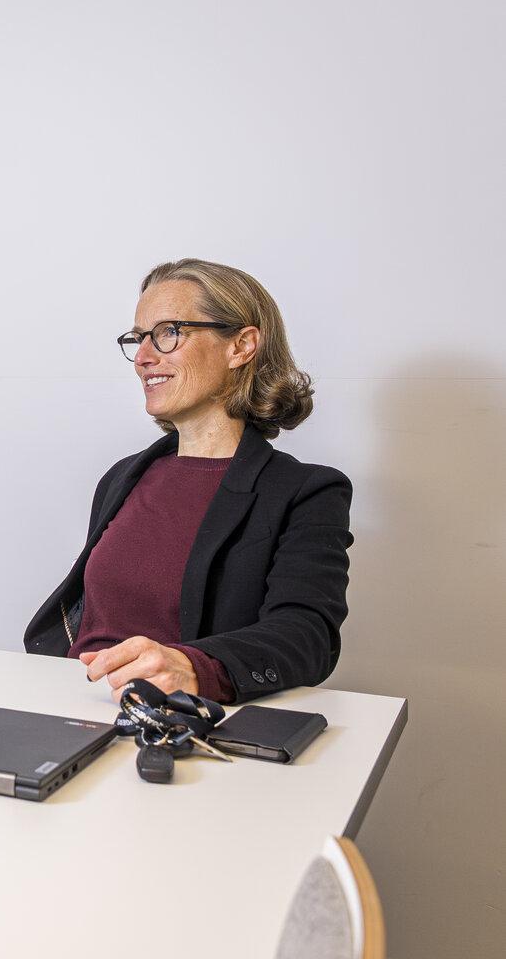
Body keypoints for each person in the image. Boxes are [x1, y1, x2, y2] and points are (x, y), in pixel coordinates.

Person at [24, 259, 351, 703]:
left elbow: (306, 635)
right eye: (138, 338)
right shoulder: (121, 478)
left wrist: (193, 667)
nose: (143, 357)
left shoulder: (305, 492)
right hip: (70, 702)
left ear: (241, 346)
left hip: (173, 725)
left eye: (168, 332)